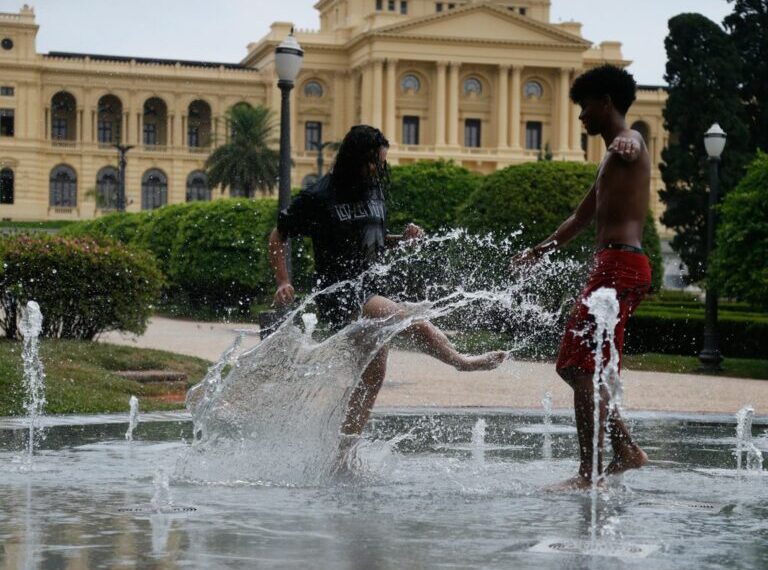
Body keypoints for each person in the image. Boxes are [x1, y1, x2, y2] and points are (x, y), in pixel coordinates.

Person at [269, 125, 506, 437]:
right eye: (373, 162)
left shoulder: (373, 190)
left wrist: (402, 240)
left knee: (371, 379)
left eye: (381, 162)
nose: (377, 168)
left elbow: (372, 241)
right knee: (408, 319)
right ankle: (461, 361)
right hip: (341, 292)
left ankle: (341, 455)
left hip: (372, 287)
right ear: (354, 159)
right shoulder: (319, 196)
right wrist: (283, 280)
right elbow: (278, 235)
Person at [511, 65, 651, 489]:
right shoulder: (607, 159)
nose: (580, 116)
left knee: (577, 365)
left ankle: (589, 473)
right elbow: (579, 218)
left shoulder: (630, 143)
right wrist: (539, 252)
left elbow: (634, 141)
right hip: (615, 265)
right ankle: (625, 450)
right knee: (586, 367)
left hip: (619, 266)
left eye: (585, 106)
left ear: (606, 102)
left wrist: (628, 141)